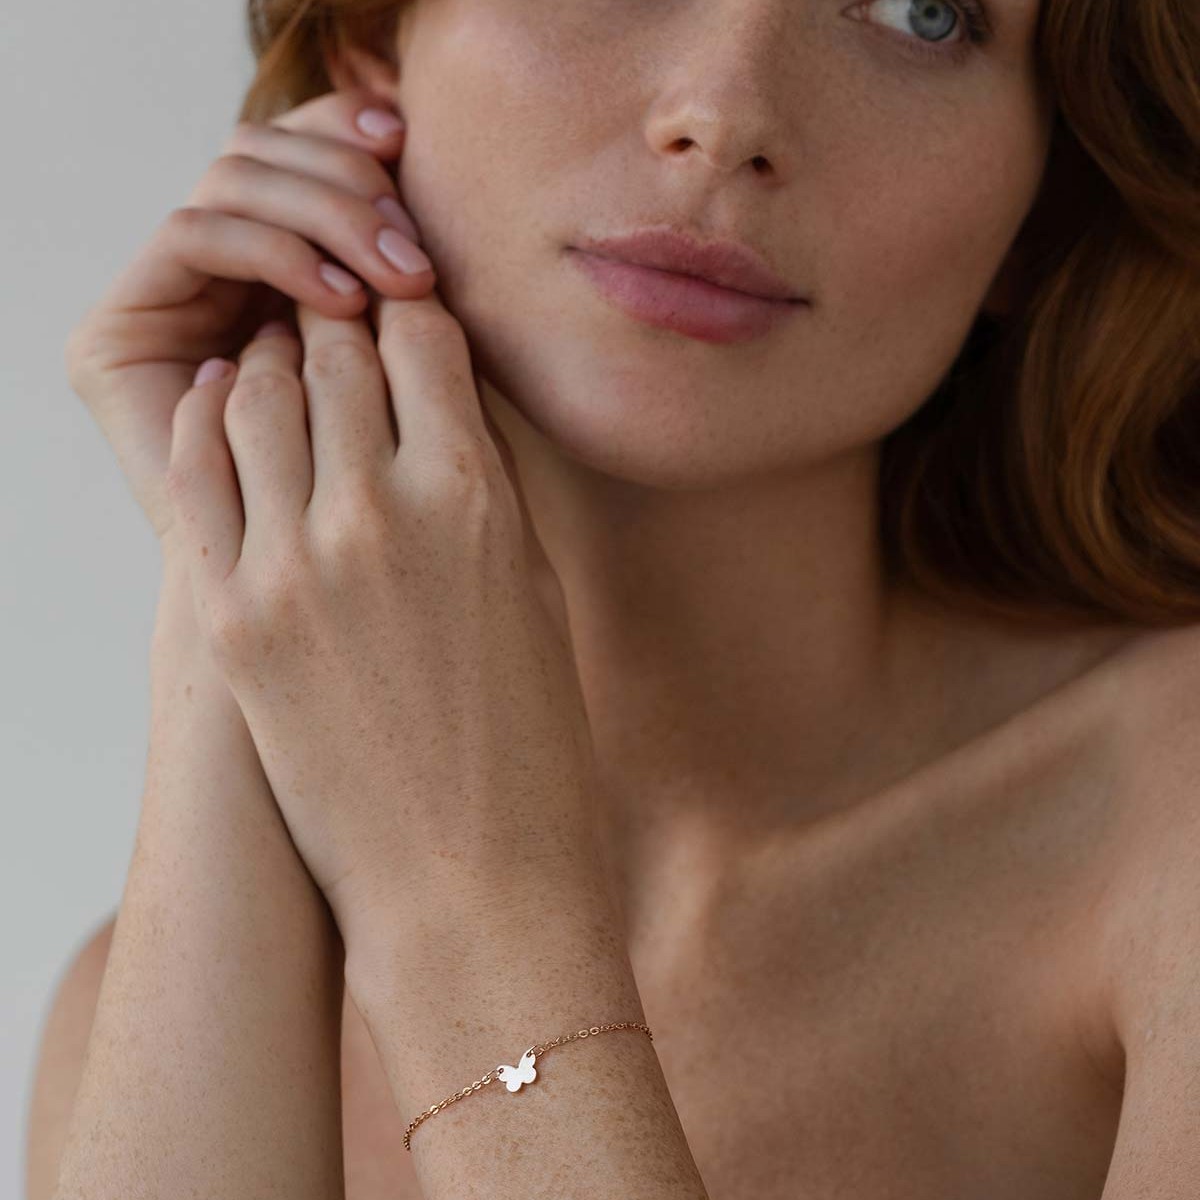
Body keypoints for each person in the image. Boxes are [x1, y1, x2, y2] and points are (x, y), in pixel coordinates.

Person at [25, 0, 1200, 1197]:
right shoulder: (134, 1011)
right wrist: (228, 549)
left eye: (924, 12)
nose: (724, 113)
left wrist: (474, 911)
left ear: (1040, 206)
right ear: (371, 40)